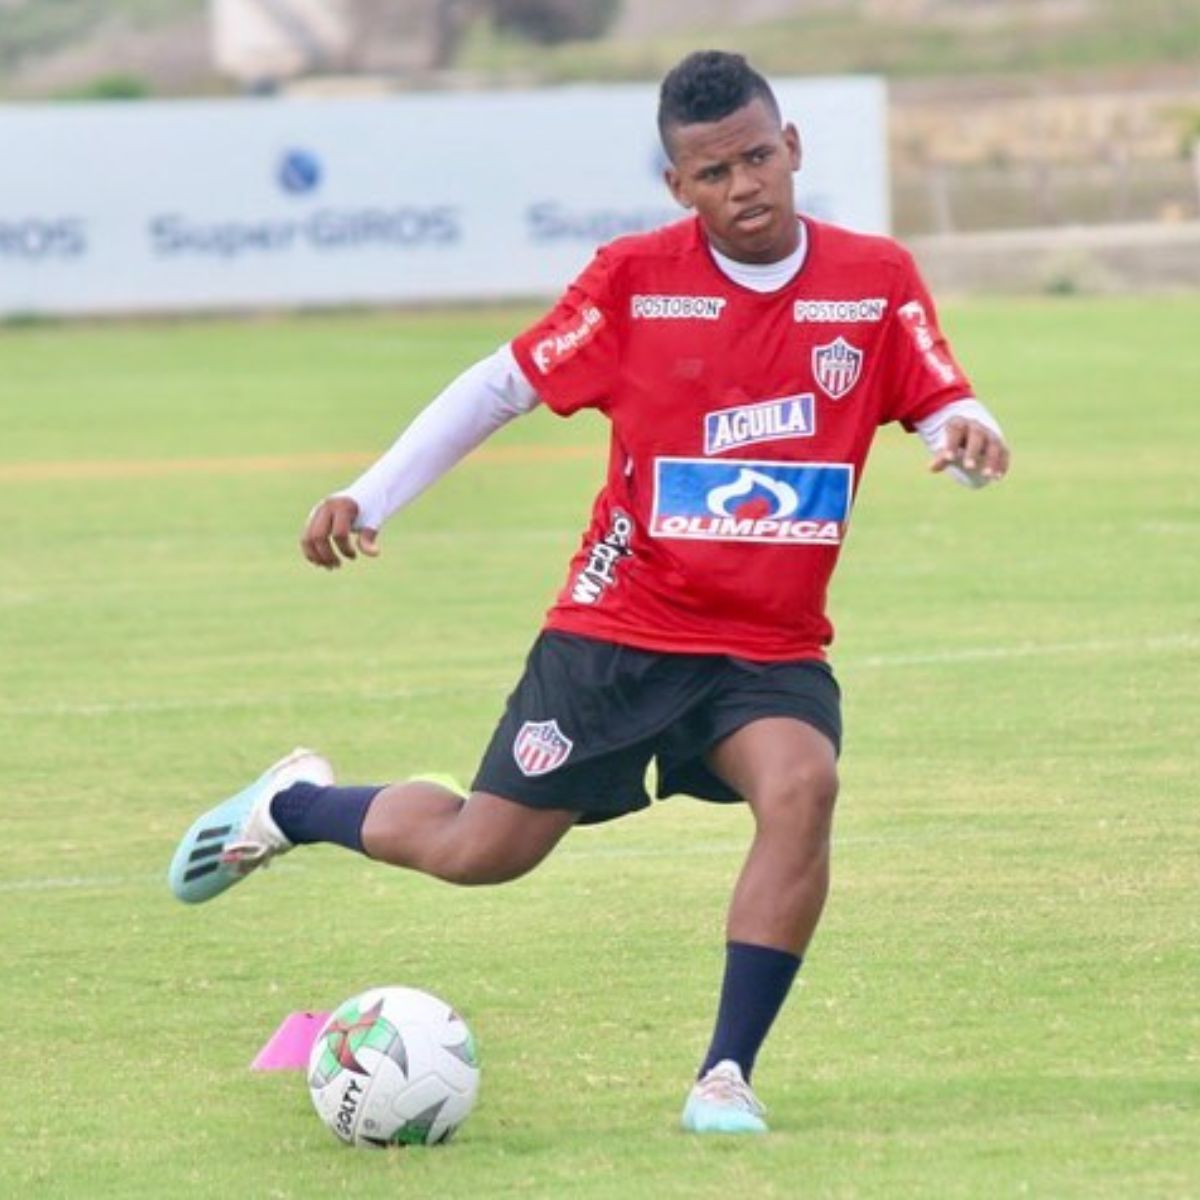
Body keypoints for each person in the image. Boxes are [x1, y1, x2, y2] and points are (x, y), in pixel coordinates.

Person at [169, 50, 1009, 1134]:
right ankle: (291, 805)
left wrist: (969, 435)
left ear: (792, 148)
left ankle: (723, 1078)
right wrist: (368, 494)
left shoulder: (873, 279)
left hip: (768, 645)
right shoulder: (636, 281)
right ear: (678, 187)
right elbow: (497, 388)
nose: (743, 187)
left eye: (758, 157)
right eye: (712, 173)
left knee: (802, 785)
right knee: (483, 852)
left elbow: (942, 397)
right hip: (618, 630)